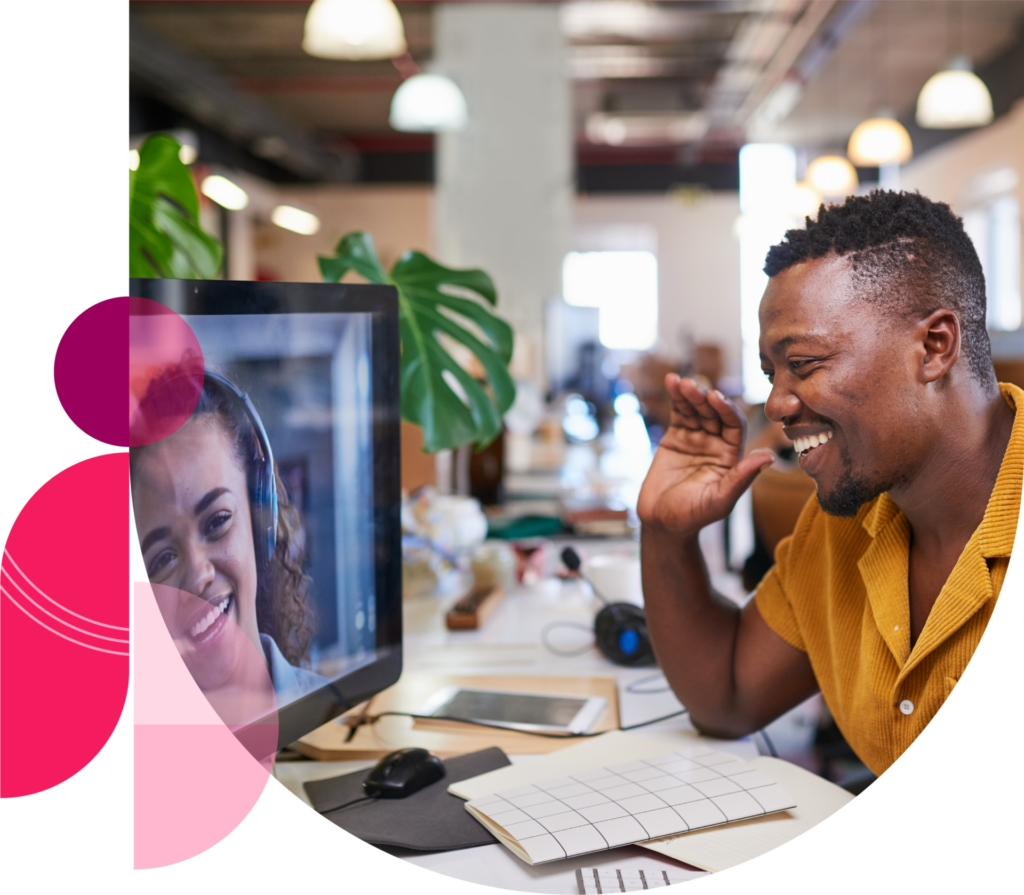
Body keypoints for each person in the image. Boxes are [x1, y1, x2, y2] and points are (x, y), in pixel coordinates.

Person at [637, 190, 1020, 778]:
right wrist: (667, 533)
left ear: (935, 346)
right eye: (772, 373)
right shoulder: (849, 518)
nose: (776, 404)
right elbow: (729, 696)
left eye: (806, 363)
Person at [129, 358, 327, 710]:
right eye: (162, 558)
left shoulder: (335, 718)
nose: (199, 574)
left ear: (260, 516)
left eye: (216, 522)